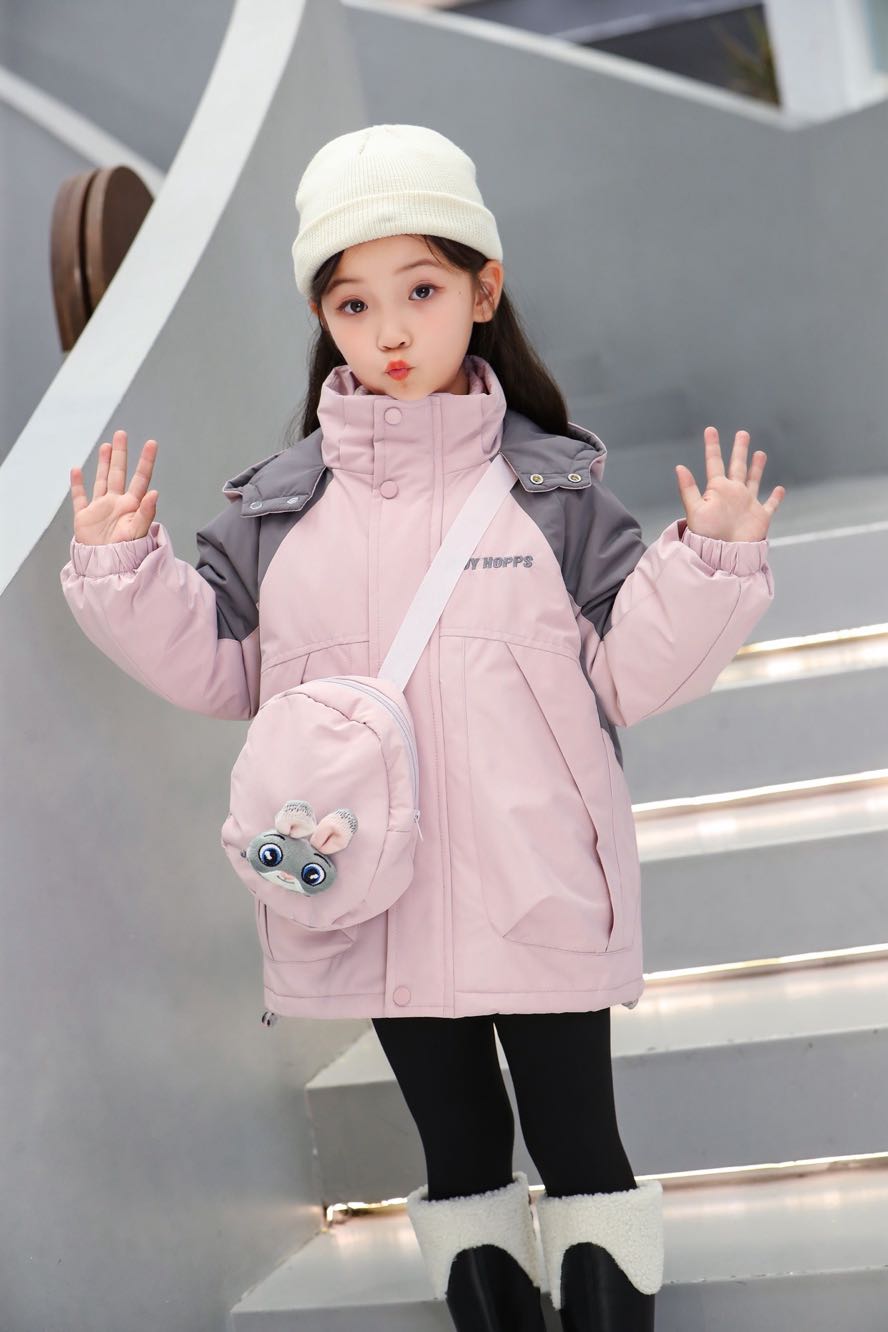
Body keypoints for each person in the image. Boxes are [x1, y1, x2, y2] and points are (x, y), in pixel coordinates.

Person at [60, 124, 783, 1331]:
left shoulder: (554, 495)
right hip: (371, 896)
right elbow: (221, 666)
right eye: (353, 303)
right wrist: (121, 569)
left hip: (537, 885)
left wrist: (709, 560)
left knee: (582, 1153)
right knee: (459, 1160)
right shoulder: (281, 510)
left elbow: (631, 675)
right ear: (324, 317)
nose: (389, 330)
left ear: (484, 291)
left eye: (423, 290)